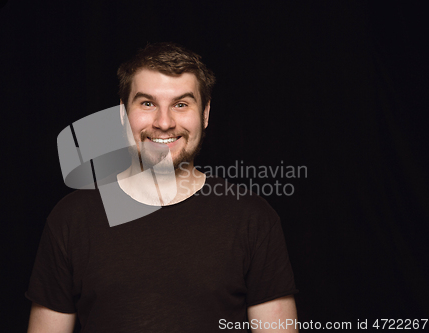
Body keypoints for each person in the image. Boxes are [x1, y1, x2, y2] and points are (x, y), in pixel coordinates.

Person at [26, 42, 298, 332]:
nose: (164, 122)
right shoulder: (71, 218)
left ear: (205, 114)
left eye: (181, 104)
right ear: (122, 114)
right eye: (147, 103)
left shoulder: (252, 218)